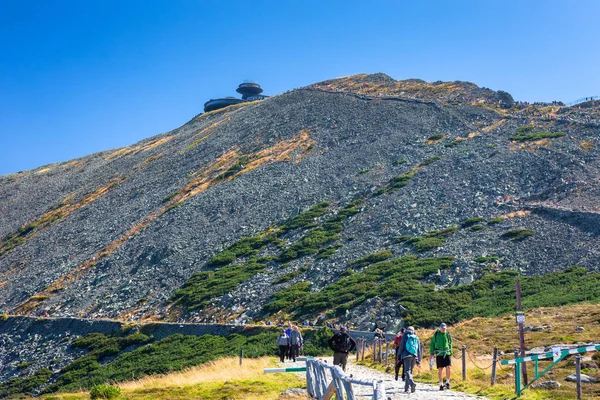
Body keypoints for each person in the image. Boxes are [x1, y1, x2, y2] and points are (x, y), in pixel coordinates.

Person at [397, 326, 421, 393]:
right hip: (414, 356)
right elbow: (419, 349)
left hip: (406, 355)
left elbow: (401, 347)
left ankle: (412, 383)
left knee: (407, 371)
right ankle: (406, 389)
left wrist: (398, 356)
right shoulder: (416, 337)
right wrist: (419, 359)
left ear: (407, 330)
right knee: (410, 372)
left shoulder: (405, 336)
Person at [429, 322, 453, 391]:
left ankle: (447, 382)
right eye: (442, 328)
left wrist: (451, 352)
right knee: (440, 369)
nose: (443, 329)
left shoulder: (447, 334)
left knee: (448, 367)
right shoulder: (436, 334)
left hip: (447, 353)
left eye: (444, 328)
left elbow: (450, 343)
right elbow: (432, 343)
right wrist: (432, 353)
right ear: (440, 328)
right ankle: (441, 384)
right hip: (439, 354)